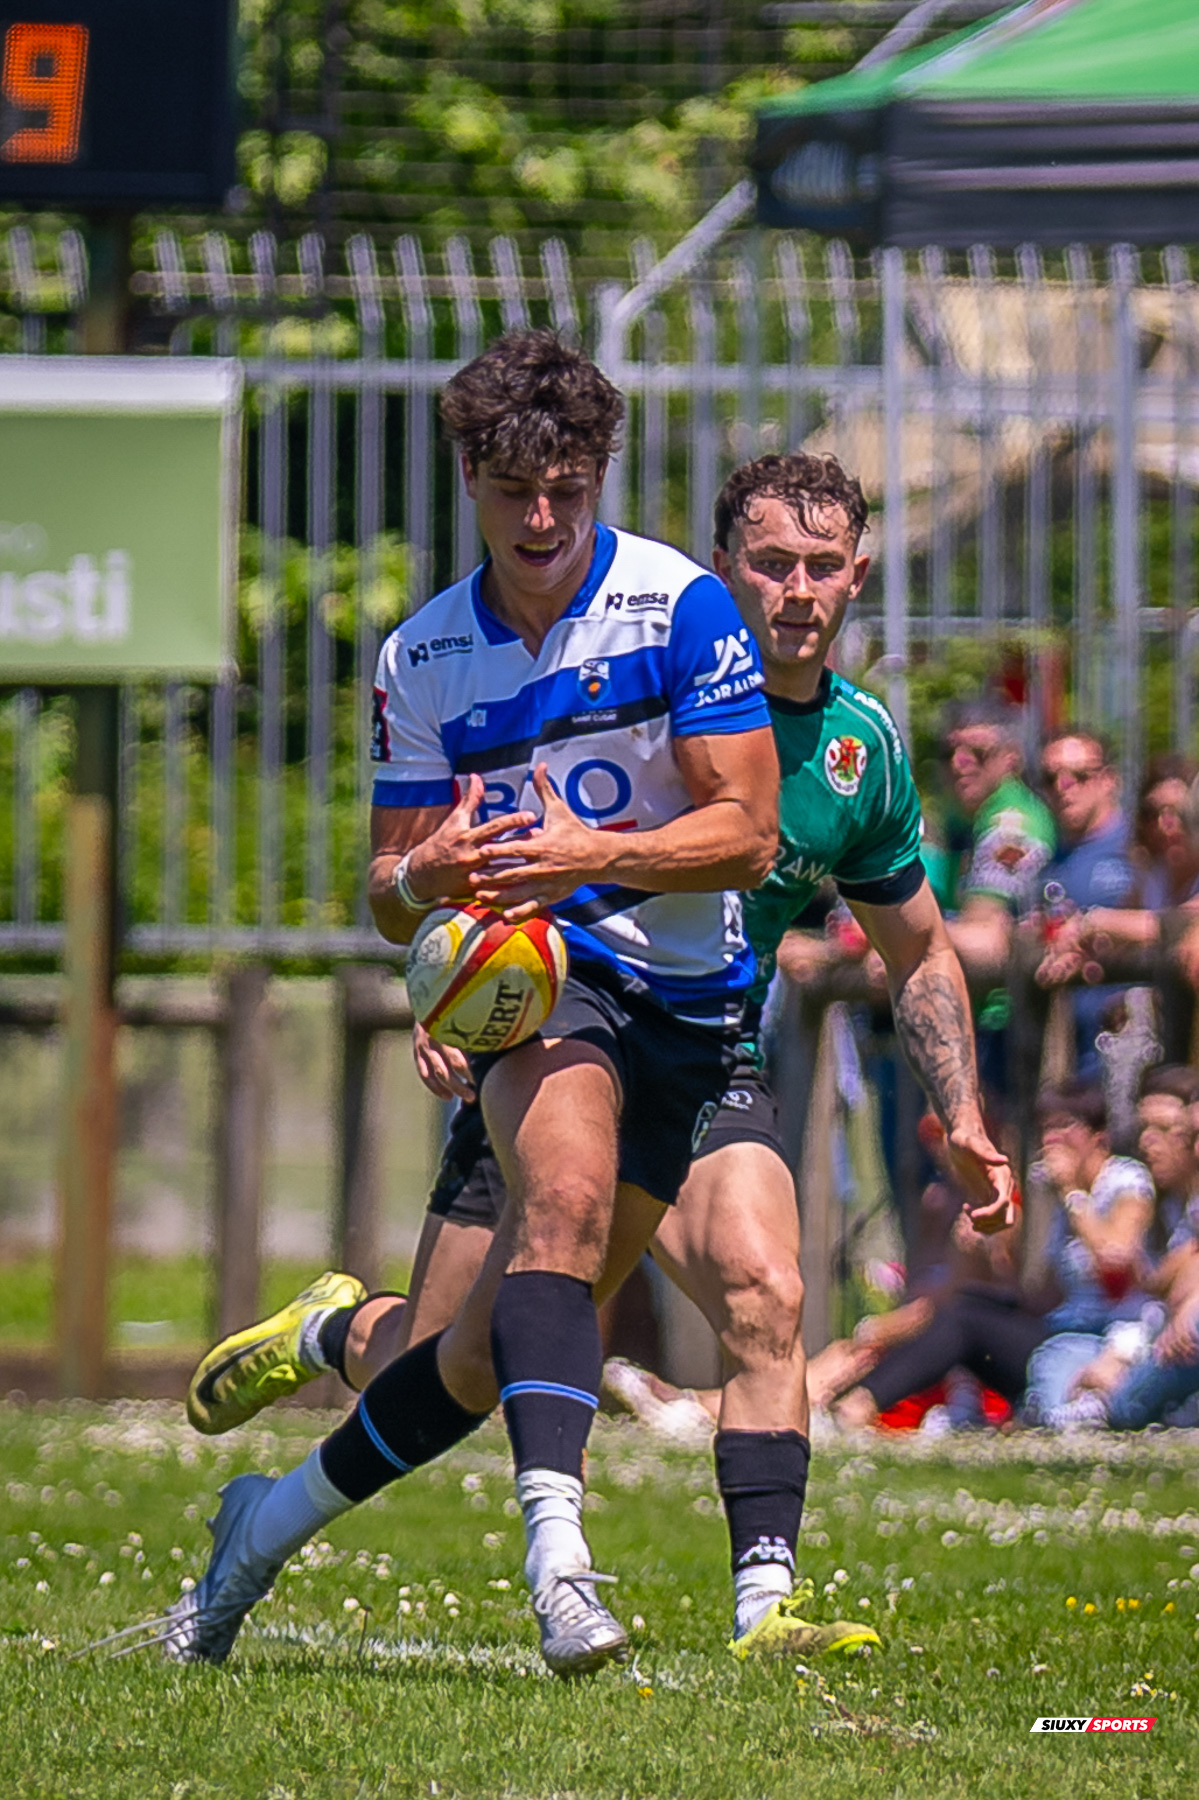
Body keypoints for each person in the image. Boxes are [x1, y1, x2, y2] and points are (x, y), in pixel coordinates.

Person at [156, 428, 1011, 1676]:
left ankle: (763, 1607)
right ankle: (340, 1341)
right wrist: (461, 1001)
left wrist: (965, 1112)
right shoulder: (640, 666)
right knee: (453, 1361)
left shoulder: (857, 749)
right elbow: (475, 846)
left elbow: (920, 950)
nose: (795, 592)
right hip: (558, 1031)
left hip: (706, 1048)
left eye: (822, 566)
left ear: (858, 573)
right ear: (719, 568)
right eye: (767, 563)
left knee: (765, 1291)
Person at [1049, 1065, 1199, 1429]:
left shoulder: (1129, 1187)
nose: (1149, 1141)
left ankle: (1114, 1407)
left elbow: (1113, 1254)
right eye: (1144, 1128)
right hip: (1133, 1336)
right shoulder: (1174, 1207)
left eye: (1166, 1130)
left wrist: (1071, 1192)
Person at [925, 698, 1055, 1113]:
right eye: (950, 753)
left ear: (1010, 759)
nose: (960, 763)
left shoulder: (1010, 822)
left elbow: (983, 928)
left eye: (977, 753)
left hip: (1004, 1022)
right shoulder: (961, 821)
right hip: (974, 1016)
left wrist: (893, 938)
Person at [1034, 728, 1137, 1079]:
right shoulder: (1042, 860)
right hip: (1062, 1061)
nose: (1063, 787)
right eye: (1051, 778)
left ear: (1110, 780)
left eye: (1079, 775)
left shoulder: (1139, 848)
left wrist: (1100, 927)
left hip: (1133, 1049)